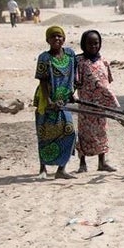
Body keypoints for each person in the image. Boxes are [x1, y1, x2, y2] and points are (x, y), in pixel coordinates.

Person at [34, 26, 77, 179]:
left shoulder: (70, 54)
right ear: (48, 40)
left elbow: (74, 74)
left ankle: (61, 169)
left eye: (59, 36)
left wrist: (72, 93)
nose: (56, 39)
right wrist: (49, 100)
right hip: (47, 101)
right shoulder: (44, 58)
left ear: (64, 38)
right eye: (53, 37)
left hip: (63, 100)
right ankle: (42, 169)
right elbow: (43, 82)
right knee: (44, 134)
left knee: (69, 132)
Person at [75, 29, 120, 173]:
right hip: (86, 105)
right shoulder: (80, 61)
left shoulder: (103, 61)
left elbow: (107, 82)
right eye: (90, 44)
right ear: (83, 44)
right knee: (84, 133)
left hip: (101, 106)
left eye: (96, 43)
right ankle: (82, 163)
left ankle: (102, 162)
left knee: (102, 132)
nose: (93, 46)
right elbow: (76, 81)